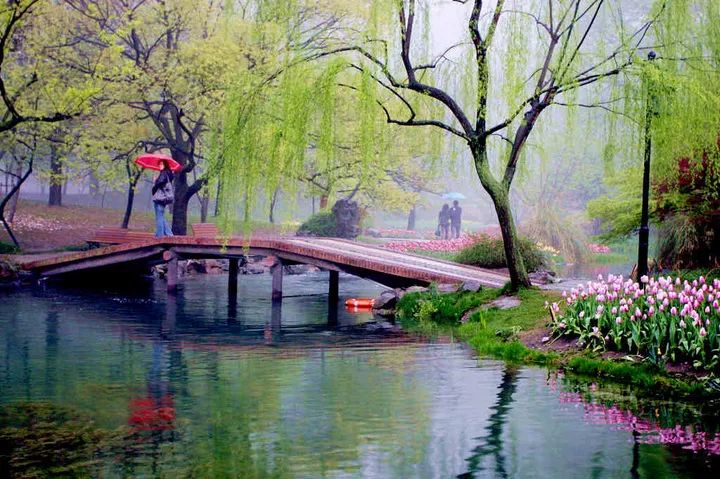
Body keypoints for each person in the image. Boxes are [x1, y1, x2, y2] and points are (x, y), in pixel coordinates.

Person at [152, 161, 174, 238]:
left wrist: (155, 181)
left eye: (161, 164)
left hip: (159, 199)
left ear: (165, 165)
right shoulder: (168, 174)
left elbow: (159, 183)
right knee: (161, 216)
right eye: (159, 164)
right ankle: (169, 234)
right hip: (164, 199)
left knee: (159, 217)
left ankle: (159, 236)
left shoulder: (164, 173)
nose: (160, 165)